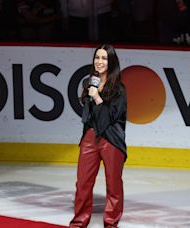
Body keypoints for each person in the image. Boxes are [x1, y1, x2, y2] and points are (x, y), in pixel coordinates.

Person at [69, 44, 127, 228]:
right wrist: (91, 95)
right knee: (83, 183)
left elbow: (112, 117)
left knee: (113, 185)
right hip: (90, 137)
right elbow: (88, 114)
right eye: (97, 58)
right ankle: (78, 223)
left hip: (111, 139)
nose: (99, 62)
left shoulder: (119, 89)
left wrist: (97, 98)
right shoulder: (89, 82)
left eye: (104, 58)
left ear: (111, 62)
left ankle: (111, 224)